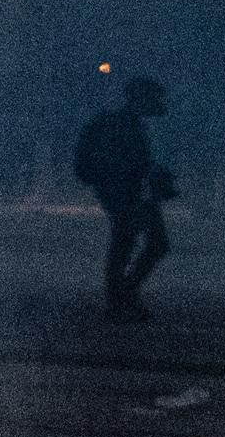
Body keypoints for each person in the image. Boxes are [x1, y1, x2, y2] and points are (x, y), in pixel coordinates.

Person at [71, 77, 174, 322]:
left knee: (127, 244)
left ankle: (121, 297)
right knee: (138, 243)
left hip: (127, 194)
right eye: (153, 98)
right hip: (126, 194)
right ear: (141, 99)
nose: (158, 103)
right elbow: (129, 164)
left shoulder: (126, 124)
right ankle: (122, 297)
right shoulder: (124, 126)